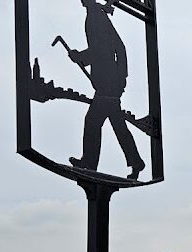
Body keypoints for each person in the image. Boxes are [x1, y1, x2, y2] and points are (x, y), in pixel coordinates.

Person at [68, 0, 145, 180]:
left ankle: (90, 163)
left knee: (93, 122)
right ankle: (134, 161)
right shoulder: (94, 14)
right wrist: (81, 57)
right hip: (107, 81)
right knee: (116, 124)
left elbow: (107, 49)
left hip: (108, 82)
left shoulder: (97, 16)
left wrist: (121, 78)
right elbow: (101, 50)